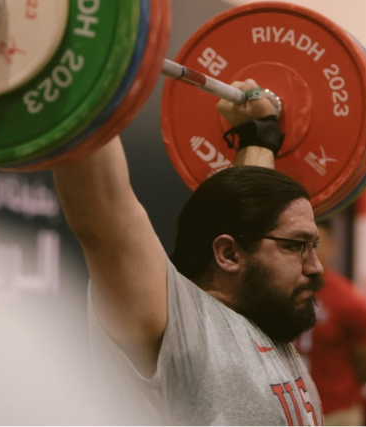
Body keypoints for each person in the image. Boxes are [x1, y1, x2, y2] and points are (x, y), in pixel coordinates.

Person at [53, 79, 326, 424]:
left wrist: (258, 134)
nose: (315, 267)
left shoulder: (263, 313)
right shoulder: (183, 326)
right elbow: (102, 214)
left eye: (312, 245)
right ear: (228, 254)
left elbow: (250, 205)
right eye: (296, 247)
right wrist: (78, 80)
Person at [292, 220, 366, 425]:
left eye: (317, 244)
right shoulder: (282, 292)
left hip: (336, 413)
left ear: (332, 246)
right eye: (301, 245)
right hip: (292, 409)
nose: (309, 253)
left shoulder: (349, 301)